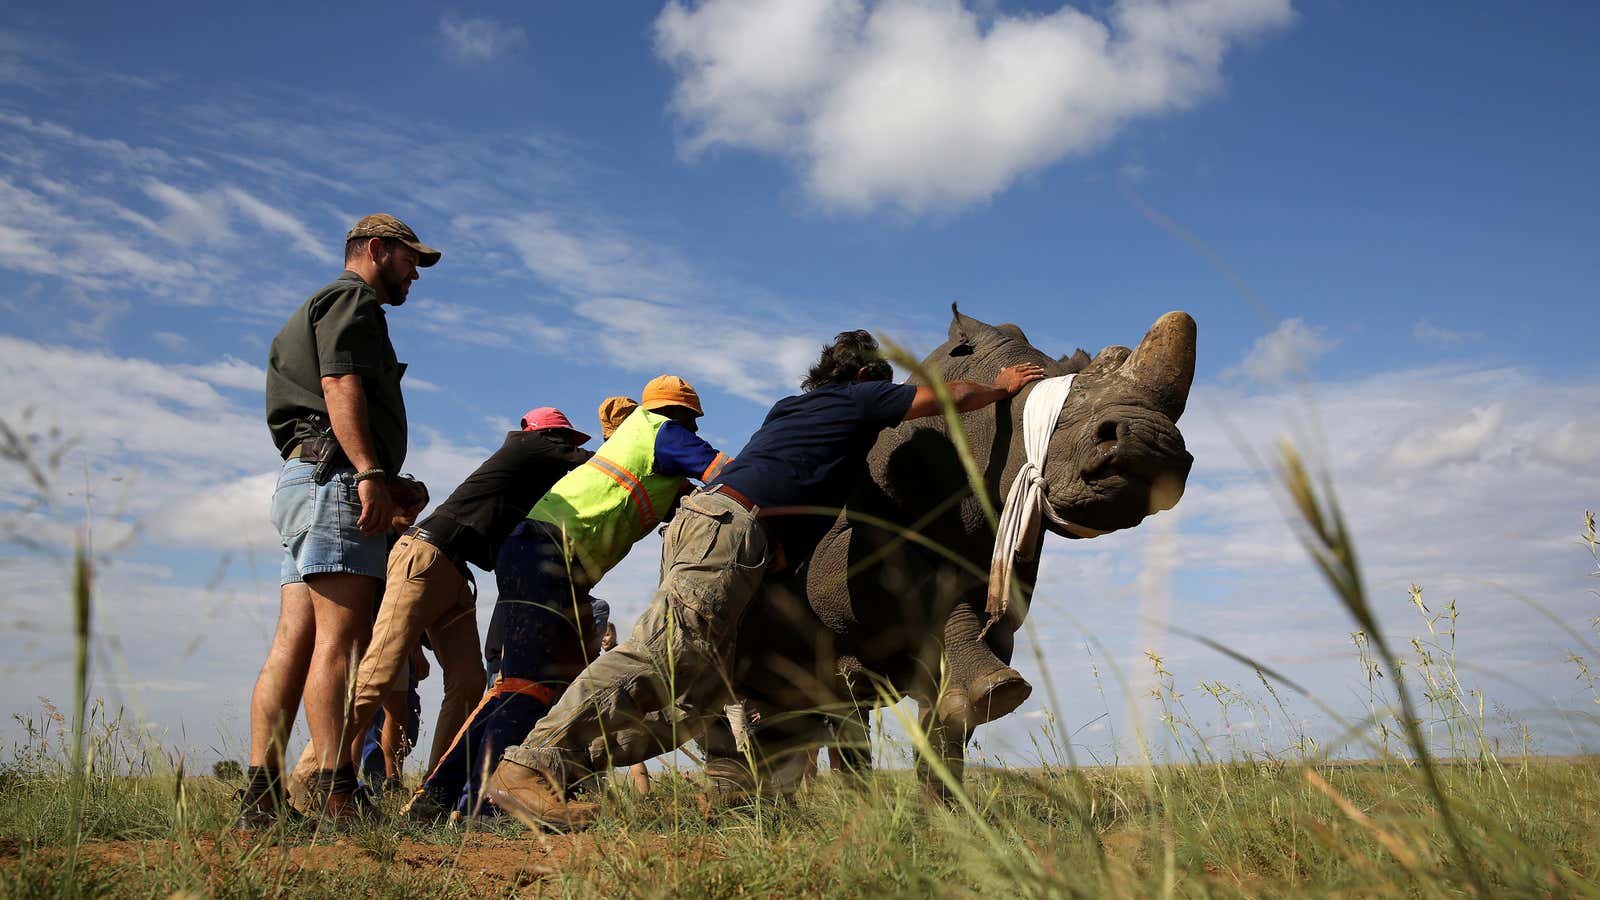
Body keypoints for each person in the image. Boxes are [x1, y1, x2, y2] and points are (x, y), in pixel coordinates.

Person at [487, 330, 1045, 829]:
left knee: (705, 686)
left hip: (721, 528)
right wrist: (1000, 386)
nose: (885, 396)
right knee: (664, 652)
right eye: (880, 384)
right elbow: (943, 398)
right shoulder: (856, 397)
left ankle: (710, 789)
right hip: (731, 528)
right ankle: (531, 763)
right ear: (859, 376)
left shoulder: (789, 409)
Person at [403, 379, 728, 820]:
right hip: (547, 554)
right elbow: (728, 475)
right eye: (691, 421)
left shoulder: (647, 458)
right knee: (527, 687)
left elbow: (681, 497)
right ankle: (483, 804)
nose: (691, 430)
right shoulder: (661, 431)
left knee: (549, 687)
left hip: (544, 558)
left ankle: (442, 798)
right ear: (682, 415)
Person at [282, 406, 592, 812]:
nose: (568, 448)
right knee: (378, 672)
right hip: (427, 557)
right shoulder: (530, 445)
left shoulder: (532, 474)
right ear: (548, 436)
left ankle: (433, 794)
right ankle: (311, 778)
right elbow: (594, 466)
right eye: (566, 440)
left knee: (467, 683)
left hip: (456, 574)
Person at [240, 213, 439, 825]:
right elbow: (340, 383)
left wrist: (380, 472)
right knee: (342, 642)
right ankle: (334, 789)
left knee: (293, 642)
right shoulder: (353, 298)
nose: (414, 274)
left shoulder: (319, 305)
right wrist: (369, 473)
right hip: (335, 482)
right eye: (410, 259)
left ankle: (262, 796)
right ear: (376, 249)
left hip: (309, 476)